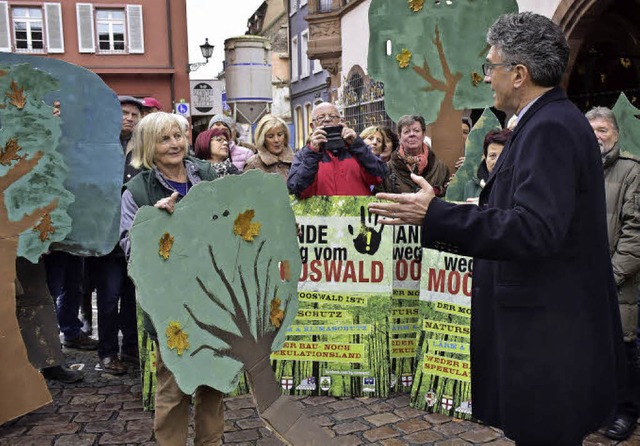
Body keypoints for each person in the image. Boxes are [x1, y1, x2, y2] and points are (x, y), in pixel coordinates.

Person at [368, 12, 623, 445]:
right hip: (547, 331)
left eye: (492, 66)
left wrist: (437, 215)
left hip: (547, 339)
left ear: (519, 74)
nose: (487, 78)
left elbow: (535, 229)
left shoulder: (550, 129)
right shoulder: (547, 122)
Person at [120, 112, 224, 445]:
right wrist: (154, 223)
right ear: (149, 145)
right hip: (171, 306)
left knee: (212, 385)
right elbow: (129, 248)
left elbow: (231, 218)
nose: (175, 144)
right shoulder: (138, 190)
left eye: (178, 135)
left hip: (213, 298)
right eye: (165, 138)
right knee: (174, 388)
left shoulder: (206, 174)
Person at [586, 106, 640, 441]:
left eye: (602, 130)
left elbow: (636, 232)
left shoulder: (632, 171)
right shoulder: (577, 169)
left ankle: (627, 411)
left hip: (619, 280)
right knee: (592, 348)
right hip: (583, 280)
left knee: (623, 349)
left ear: (615, 134)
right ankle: (600, 407)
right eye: (589, 130)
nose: (595, 136)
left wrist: (611, 275)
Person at [287, 102, 388, 197]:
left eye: (332, 116)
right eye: (320, 117)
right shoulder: (304, 154)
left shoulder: (357, 149)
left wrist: (357, 145)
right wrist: (313, 152)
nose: (327, 119)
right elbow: (296, 189)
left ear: (342, 121)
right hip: (321, 215)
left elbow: (380, 176)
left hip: (356, 214)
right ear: (312, 126)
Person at [374, 115, 449, 196]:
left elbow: (448, 197)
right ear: (399, 137)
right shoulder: (386, 170)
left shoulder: (441, 168)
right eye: (406, 131)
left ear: (423, 134)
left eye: (416, 131)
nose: (412, 134)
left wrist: (437, 191)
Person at [462, 128, 510, 201]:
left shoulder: (518, 186)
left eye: (503, 156)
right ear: (485, 157)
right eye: (492, 155)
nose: (497, 161)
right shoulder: (471, 186)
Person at [244, 114, 294, 180]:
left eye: (280, 135)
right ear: (263, 139)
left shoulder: (297, 161)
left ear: (285, 136)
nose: (276, 140)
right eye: (270, 136)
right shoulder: (253, 164)